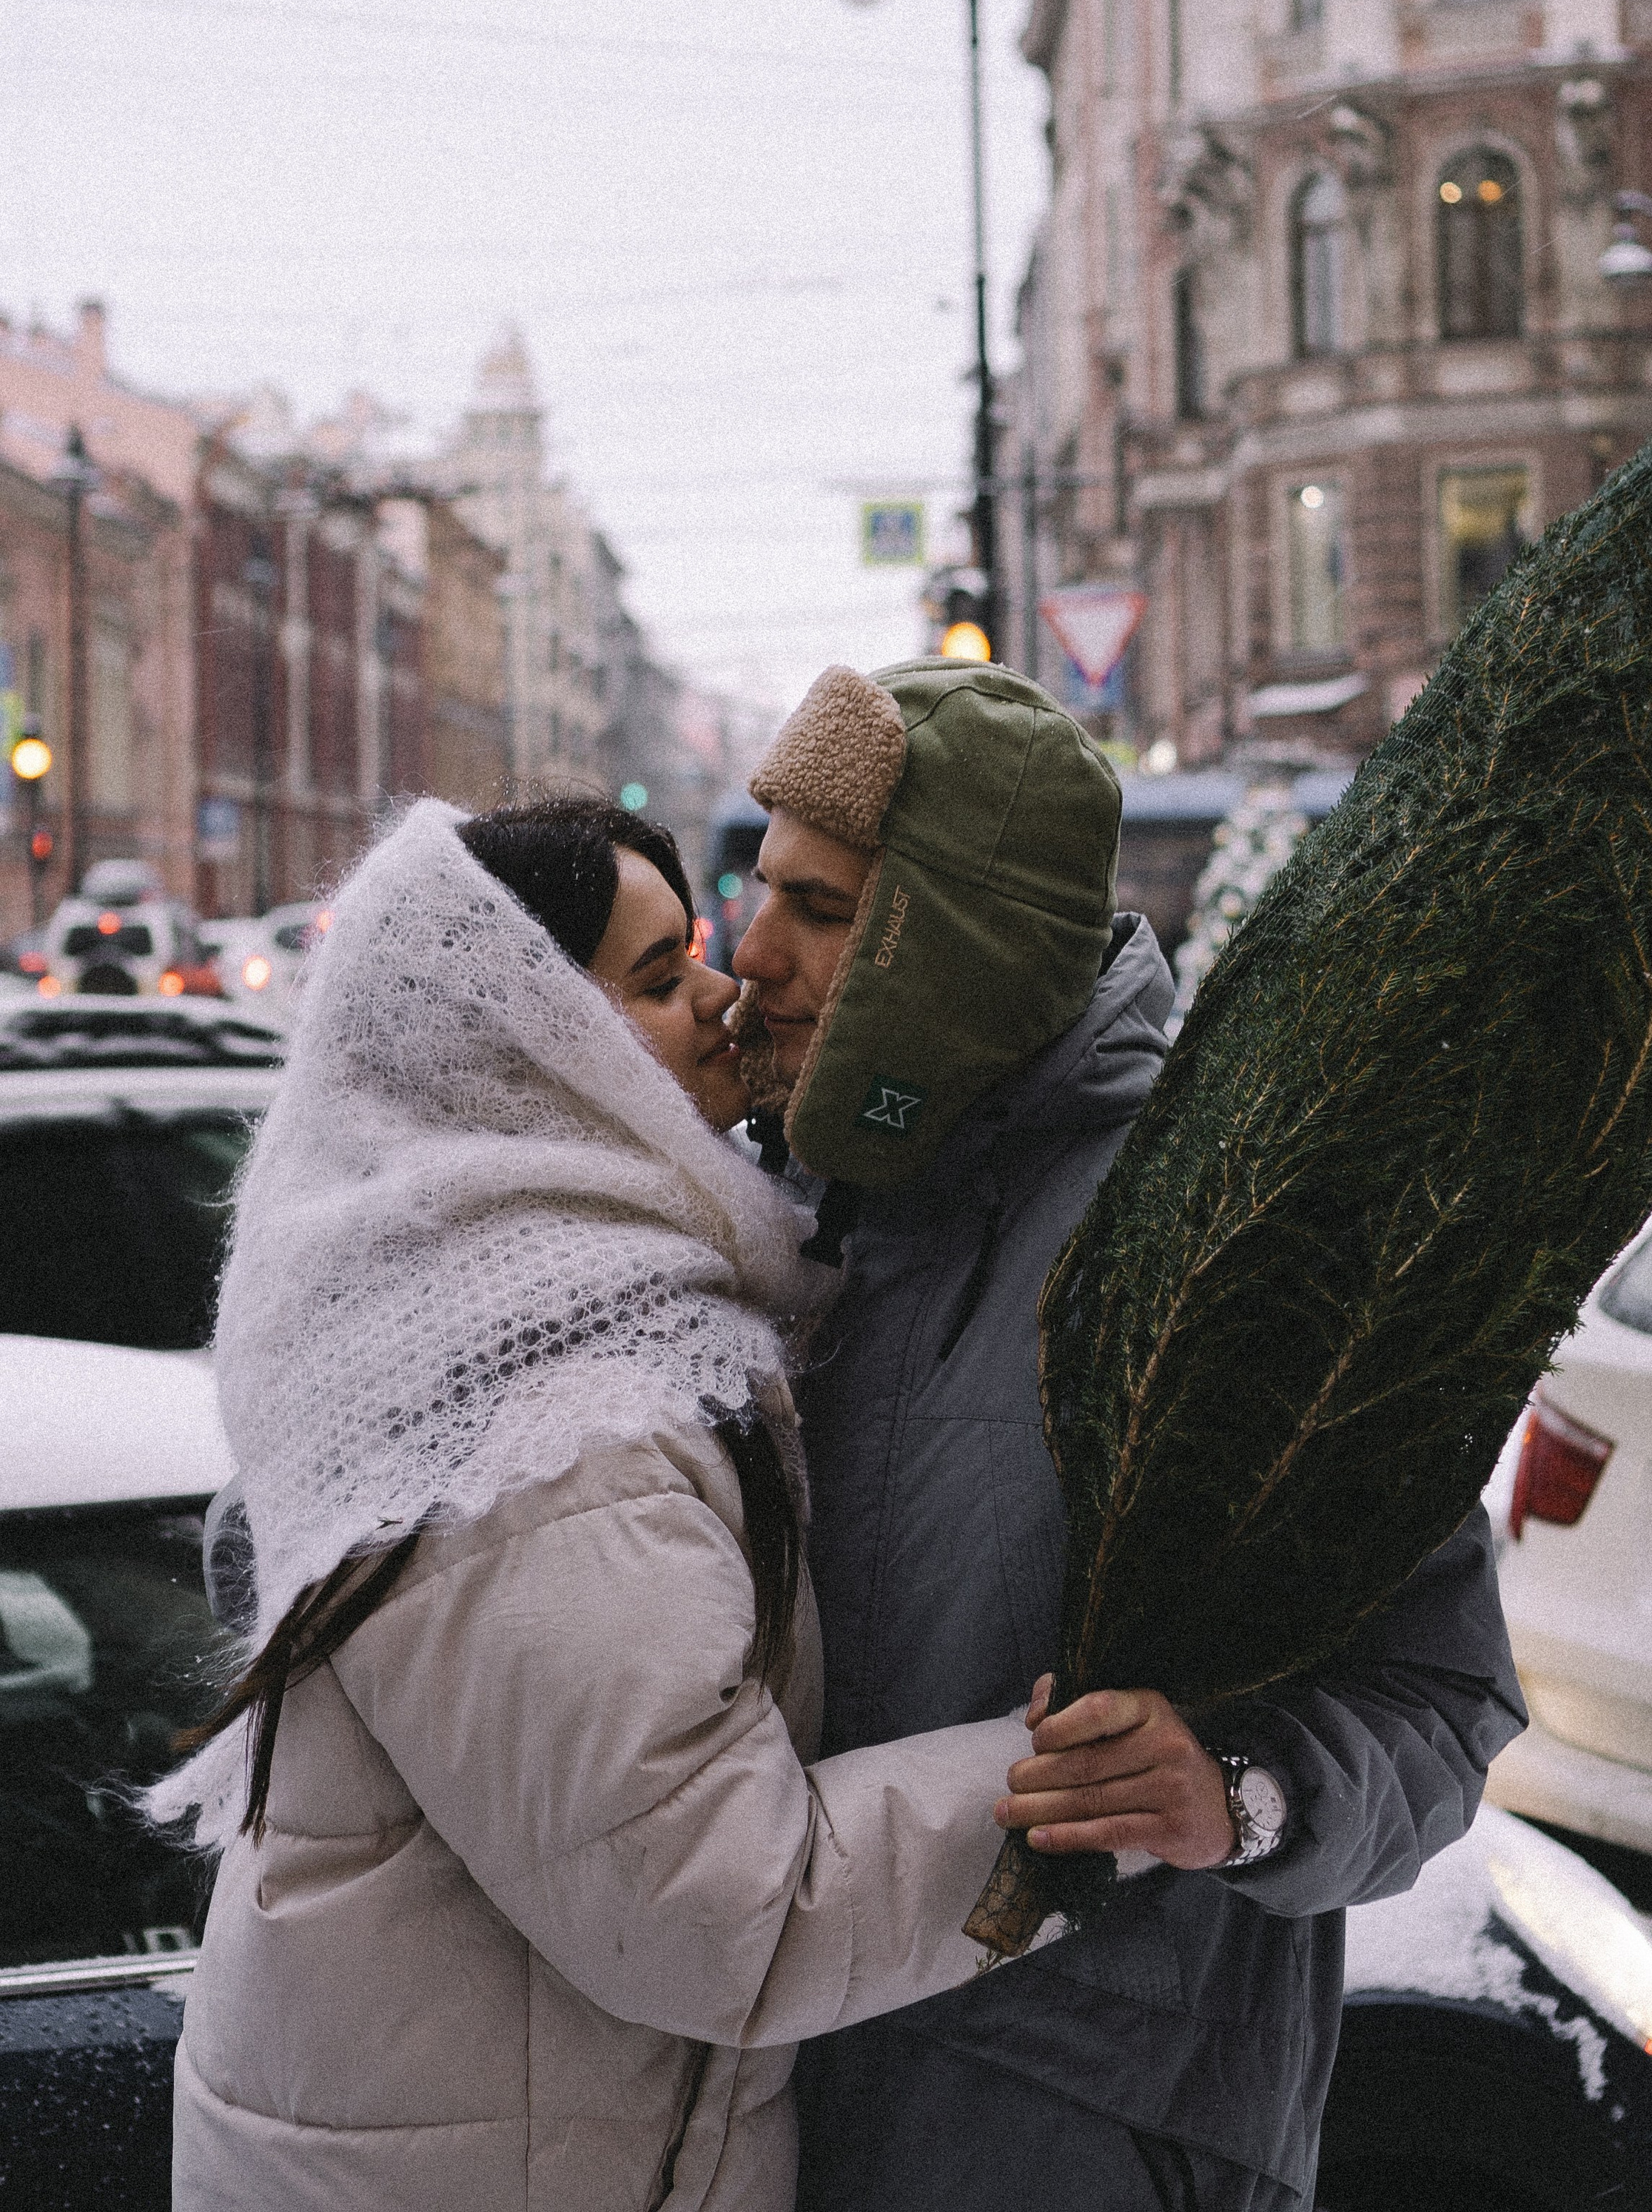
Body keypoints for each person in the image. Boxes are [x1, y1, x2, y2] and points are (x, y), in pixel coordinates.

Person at [157, 793, 1185, 2212]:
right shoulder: (542, 1415)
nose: (727, 992)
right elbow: (722, 1915)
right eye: (657, 979)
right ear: (528, 1052)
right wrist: (1104, 1797)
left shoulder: (521, 1296)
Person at [732, 659, 1530, 2212]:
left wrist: (1241, 1791)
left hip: (1083, 2120)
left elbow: (1441, 1693)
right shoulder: (791, 1205)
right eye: (763, 891)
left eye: (820, 911)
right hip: (781, 2113)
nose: (752, 954)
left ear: (954, 943)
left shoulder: (1228, 1236)